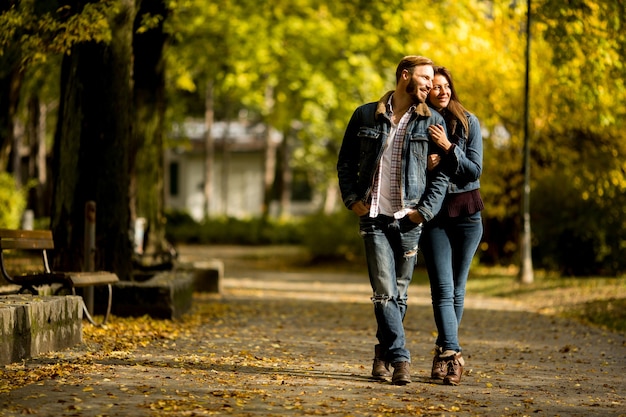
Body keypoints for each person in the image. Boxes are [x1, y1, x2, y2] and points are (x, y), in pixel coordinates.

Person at [337, 56, 450, 385]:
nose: (430, 85)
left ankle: (381, 354)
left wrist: (424, 211)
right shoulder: (364, 114)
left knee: (399, 295)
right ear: (405, 76)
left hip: (410, 220)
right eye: (425, 78)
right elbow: (345, 161)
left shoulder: (433, 120)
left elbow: (441, 175)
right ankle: (401, 358)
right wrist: (352, 200)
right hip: (372, 217)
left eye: (432, 79)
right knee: (384, 293)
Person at [422, 66, 484, 386]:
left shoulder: (469, 122)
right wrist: (425, 160)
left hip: (468, 217)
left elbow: (473, 171)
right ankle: (453, 355)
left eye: (446, 86)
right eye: (435, 87)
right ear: (427, 92)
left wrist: (447, 148)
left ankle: (442, 354)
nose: (442, 91)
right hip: (435, 217)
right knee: (443, 290)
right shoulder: (420, 122)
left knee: (457, 290)